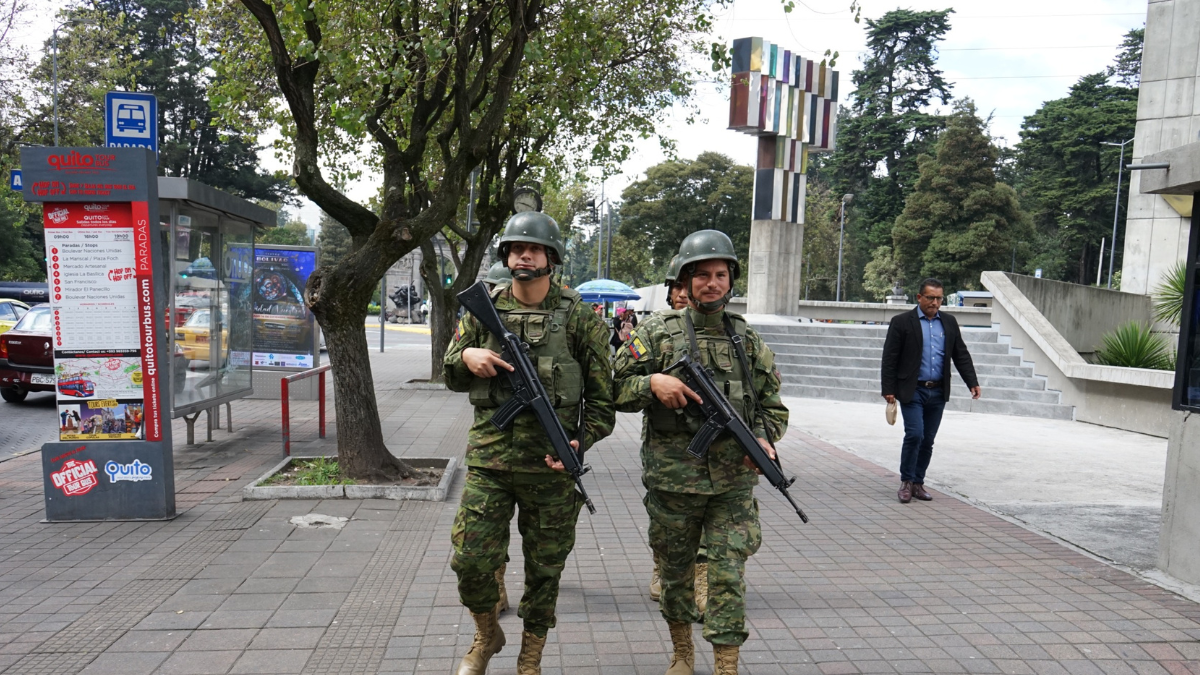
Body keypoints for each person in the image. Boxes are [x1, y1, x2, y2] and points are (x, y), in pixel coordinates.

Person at [443, 211, 615, 675]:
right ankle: (487, 633)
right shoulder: (484, 310)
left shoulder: (580, 318)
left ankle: (530, 658)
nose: (524, 255)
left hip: (550, 469)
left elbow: (603, 401)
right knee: (471, 561)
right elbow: (449, 372)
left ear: (551, 257)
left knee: (545, 572)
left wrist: (580, 442)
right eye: (516, 248)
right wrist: (467, 356)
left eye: (534, 248)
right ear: (506, 256)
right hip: (489, 463)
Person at [614, 230, 787, 675]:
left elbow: (771, 405)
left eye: (721, 275)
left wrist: (766, 440)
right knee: (675, 575)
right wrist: (652, 383)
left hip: (732, 483)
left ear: (732, 281)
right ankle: (682, 653)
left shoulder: (746, 341)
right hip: (674, 482)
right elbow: (610, 388)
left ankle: (726, 664)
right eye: (703, 275)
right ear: (686, 281)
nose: (713, 283)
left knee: (727, 576)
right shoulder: (656, 332)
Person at [881, 277, 981, 504]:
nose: (935, 303)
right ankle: (906, 482)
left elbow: (961, 354)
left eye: (939, 298)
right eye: (930, 298)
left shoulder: (949, 322)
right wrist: (888, 388)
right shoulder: (902, 322)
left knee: (928, 440)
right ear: (919, 297)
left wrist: (971, 382)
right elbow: (890, 358)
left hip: (937, 391)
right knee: (915, 434)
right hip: (912, 390)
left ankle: (918, 483)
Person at [648, 252, 710, 611]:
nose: (684, 293)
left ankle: (701, 576)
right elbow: (621, 383)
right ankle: (662, 565)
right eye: (679, 287)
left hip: (714, 453)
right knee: (663, 519)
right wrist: (653, 383)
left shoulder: (730, 330)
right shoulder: (657, 329)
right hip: (666, 450)